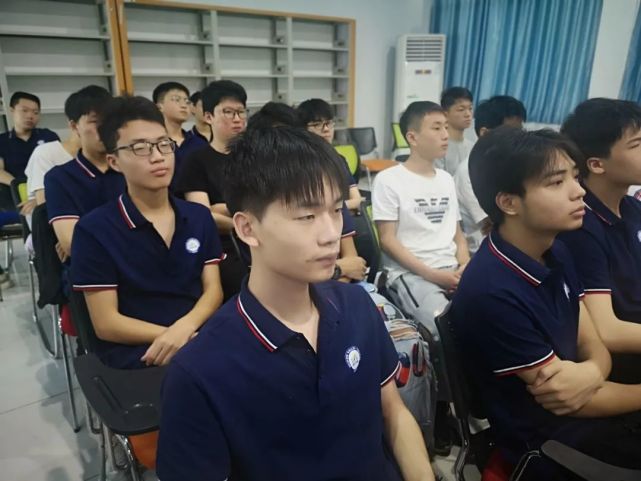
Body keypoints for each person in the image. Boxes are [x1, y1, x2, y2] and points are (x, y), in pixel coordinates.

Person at [156, 125, 435, 481]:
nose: (331, 234)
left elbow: (393, 413)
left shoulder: (357, 307)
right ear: (247, 228)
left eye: (336, 210)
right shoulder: (199, 372)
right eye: (306, 216)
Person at [451, 126, 641, 480]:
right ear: (509, 202)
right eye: (556, 182)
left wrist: (592, 370)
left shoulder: (556, 249)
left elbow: (591, 339)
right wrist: (596, 374)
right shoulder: (492, 292)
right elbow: (569, 401)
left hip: (590, 412)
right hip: (553, 442)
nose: (578, 191)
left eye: (574, 177)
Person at [70, 95, 224, 369]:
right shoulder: (94, 230)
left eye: (164, 144)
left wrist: (186, 330)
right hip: (139, 352)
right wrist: (173, 337)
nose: (158, 157)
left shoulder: (198, 216)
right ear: (114, 161)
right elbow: (106, 323)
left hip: (199, 337)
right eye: (140, 148)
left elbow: (213, 290)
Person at [558, 99, 641, 379]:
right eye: (636, 144)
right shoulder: (581, 226)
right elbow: (607, 330)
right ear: (596, 164)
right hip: (622, 366)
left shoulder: (632, 208)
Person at [373, 101, 469, 337]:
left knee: (489, 316)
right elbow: (387, 240)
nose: (445, 135)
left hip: (453, 270)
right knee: (444, 327)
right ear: (412, 138)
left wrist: (466, 266)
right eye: (436, 128)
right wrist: (433, 275)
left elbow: (458, 236)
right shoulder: (389, 179)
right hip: (411, 274)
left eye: (445, 127)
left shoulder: (446, 179)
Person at [247, 101, 367, 284]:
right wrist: (338, 269)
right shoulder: (260, 201)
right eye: (307, 216)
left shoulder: (327, 195)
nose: (329, 236)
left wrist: (335, 288)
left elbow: (354, 263)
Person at [44, 85, 122, 266]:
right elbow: (73, 244)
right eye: (95, 121)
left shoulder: (131, 167)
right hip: (93, 271)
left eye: (109, 121)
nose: (105, 129)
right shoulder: (60, 178)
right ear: (74, 126)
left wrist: (89, 234)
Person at [454, 96, 527, 253]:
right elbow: (493, 223)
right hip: (484, 249)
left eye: (520, 132)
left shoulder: (510, 164)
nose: (518, 139)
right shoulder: (468, 172)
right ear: (485, 133)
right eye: (511, 133)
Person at [297, 98, 363, 211]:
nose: (326, 129)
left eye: (329, 123)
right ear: (303, 129)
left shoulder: (339, 160)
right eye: (317, 125)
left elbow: (356, 199)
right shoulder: (298, 163)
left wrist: (334, 208)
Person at [152, 81, 207, 188]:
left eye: (187, 101)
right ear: (159, 107)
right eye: (176, 100)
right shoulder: (152, 145)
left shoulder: (199, 143)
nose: (184, 105)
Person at [0, 91, 59, 188]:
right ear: (12, 111)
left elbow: (61, 166)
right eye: (24, 110)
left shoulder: (49, 136)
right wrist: (20, 186)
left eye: (35, 112)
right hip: (15, 190)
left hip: (48, 189)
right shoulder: (2, 140)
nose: (30, 116)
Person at [436, 87, 474, 175]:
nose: (468, 114)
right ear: (445, 114)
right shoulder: (438, 147)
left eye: (470, 108)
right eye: (461, 110)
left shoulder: (473, 147)